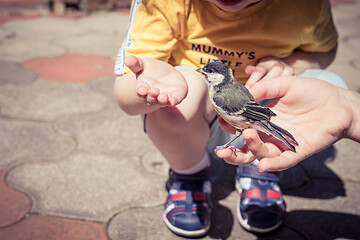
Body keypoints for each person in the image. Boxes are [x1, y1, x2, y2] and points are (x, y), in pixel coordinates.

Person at [113, 0, 343, 236]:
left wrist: (289, 64)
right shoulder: (162, 4)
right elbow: (125, 94)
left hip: (257, 114)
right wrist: (149, 90)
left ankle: (260, 166)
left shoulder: (308, 6)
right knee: (183, 90)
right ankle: (189, 173)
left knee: (326, 87)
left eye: (208, 72)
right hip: (192, 123)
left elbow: (325, 50)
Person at [216, 76, 360, 172]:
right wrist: (350, 110)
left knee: (244, 133)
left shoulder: (221, 95)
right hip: (254, 116)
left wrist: (351, 113)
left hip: (251, 119)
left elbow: (247, 112)